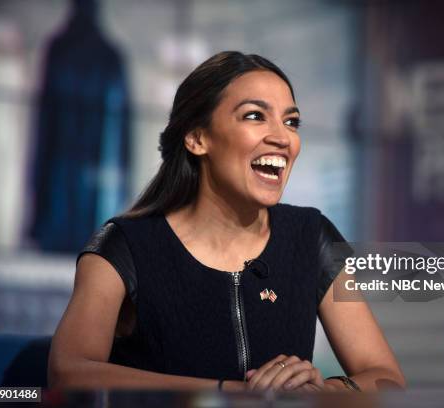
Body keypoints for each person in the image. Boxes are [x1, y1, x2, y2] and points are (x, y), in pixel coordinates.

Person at [48, 51, 405, 392]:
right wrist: (230, 395)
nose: (283, 138)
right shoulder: (124, 244)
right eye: (254, 116)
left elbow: (386, 378)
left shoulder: (310, 236)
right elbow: (68, 372)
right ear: (197, 137)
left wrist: (319, 392)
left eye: (291, 121)